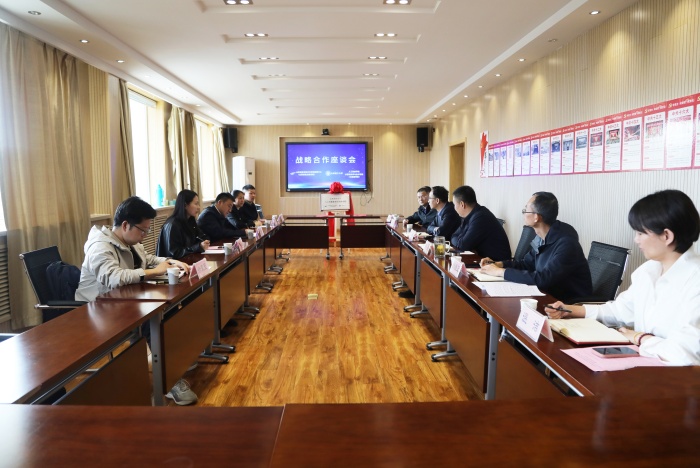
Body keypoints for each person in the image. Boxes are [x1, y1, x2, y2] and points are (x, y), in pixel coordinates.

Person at [545, 190, 700, 366]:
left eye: (641, 233)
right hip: (646, 366)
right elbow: (620, 310)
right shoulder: (648, 270)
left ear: (666, 236)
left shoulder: (695, 280)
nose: (636, 240)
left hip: (679, 377)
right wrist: (570, 310)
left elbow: (685, 354)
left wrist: (640, 338)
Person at [74, 196, 197, 405]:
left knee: (168, 310)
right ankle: (168, 380)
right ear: (125, 225)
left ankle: (172, 363)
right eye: (143, 230)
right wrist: (153, 272)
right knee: (153, 319)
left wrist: (170, 261)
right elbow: (114, 278)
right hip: (97, 310)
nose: (144, 236)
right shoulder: (99, 247)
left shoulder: (130, 242)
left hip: (124, 302)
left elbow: (148, 259)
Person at [480, 192, 592, 302]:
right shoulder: (542, 237)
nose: (523, 214)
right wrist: (499, 264)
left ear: (536, 217)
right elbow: (526, 264)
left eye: (525, 210)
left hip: (568, 304)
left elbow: (544, 279)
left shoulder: (567, 244)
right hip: (547, 296)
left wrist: (500, 272)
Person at [450, 185, 511, 260]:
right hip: (483, 259)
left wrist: (460, 242)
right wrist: (460, 242)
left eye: (454, 204)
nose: (454, 208)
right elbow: (454, 236)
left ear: (462, 204)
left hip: (496, 262)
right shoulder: (471, 215)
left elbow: (463, 245)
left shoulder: (481, 217)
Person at [157, 189, 210, 259]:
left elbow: (200, 236)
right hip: (173, 263)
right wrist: (198, 247)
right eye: (196, 204)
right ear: (185, 205)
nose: (198, 207)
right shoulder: (172, 225)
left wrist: (205, 241)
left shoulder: (190, 220)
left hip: (187, 259)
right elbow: (175, 253)